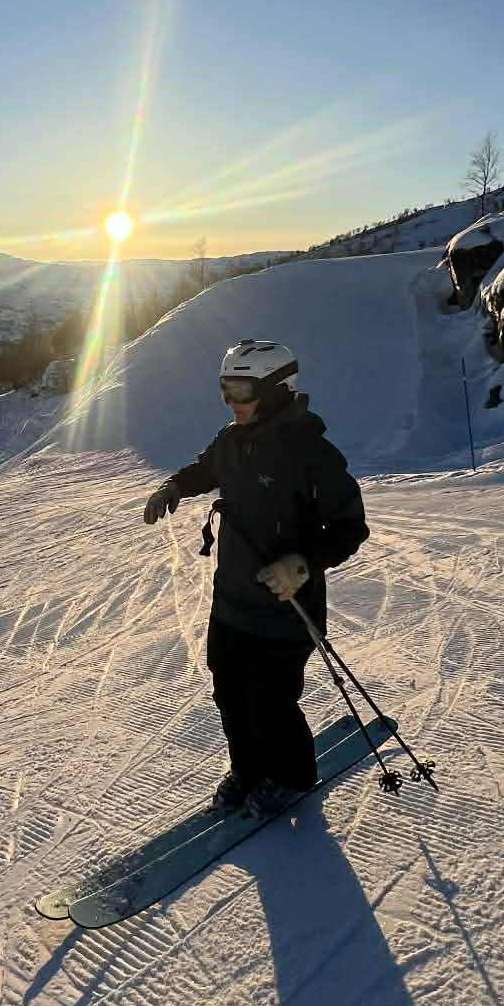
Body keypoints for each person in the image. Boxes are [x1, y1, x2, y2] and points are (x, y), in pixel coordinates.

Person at [143, 338, 369, 818]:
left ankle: (291, 777)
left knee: (271, 703)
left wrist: (302, 564)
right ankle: (247, 769)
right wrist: (176, 485)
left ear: (275, 389)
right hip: (232, 602)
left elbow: (351, 526)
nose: (231, 402)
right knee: (229, 693)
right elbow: (208, 468)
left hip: (287, 607)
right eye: (225, 389)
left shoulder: (311, 451)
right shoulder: (232, 440)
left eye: (241, 389)